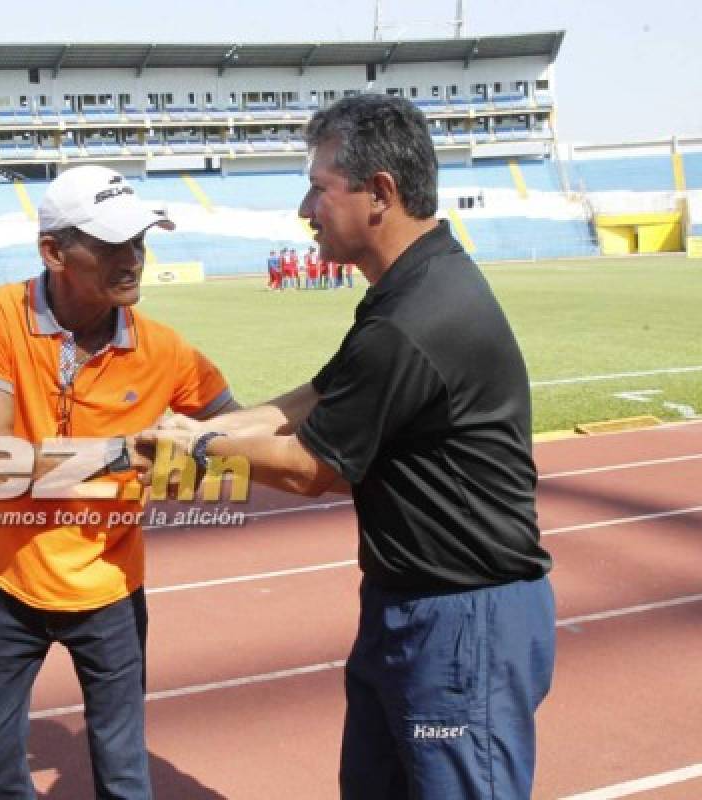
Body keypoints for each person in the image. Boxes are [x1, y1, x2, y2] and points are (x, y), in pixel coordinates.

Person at [139, 95, 555, 799]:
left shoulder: (416, 316)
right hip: (410, 605)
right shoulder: (409, 287)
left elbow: (313, 468)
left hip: (461, 619)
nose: (305, 208)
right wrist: (194, 430)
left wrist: (203, 447)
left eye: (319, 186)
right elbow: (315, 397)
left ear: (380, 194)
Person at [0, 164, 235, 798]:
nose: (134, 259)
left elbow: (240, 431)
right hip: (3, 583)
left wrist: (205, 456)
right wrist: (127, 453)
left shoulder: (167, 349)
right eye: (110, 244)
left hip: (112, 586)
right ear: (54, 251)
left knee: (124, 766)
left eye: (140, 240)